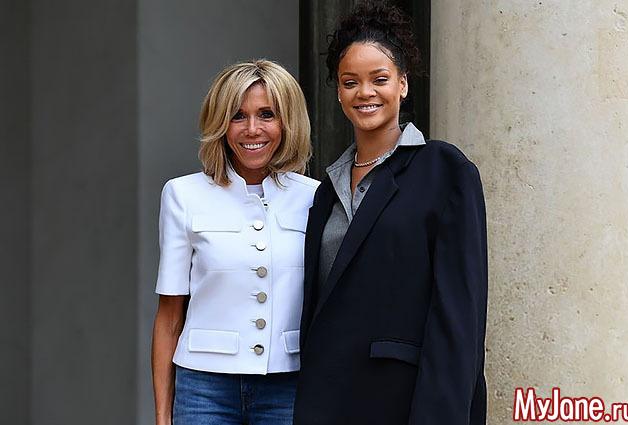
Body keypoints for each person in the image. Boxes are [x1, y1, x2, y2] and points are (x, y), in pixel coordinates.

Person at [293, 2, 488, 425]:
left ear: (402, 83)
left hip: (404, 403)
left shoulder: (445, 171)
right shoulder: (326, 191)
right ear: (338, 91)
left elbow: (459, 317)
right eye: (350, 82)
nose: (365, 92)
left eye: (379, 79)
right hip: (327, 404)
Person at [152, 59, 319, 425]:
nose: (252, 129)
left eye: (267, 114)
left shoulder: (315, 198)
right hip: (204, 388)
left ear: (287, 121)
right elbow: (169, 317)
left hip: (289, 384)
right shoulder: (182, 194)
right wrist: (163, 416)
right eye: (238, 116)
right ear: (220, 123)